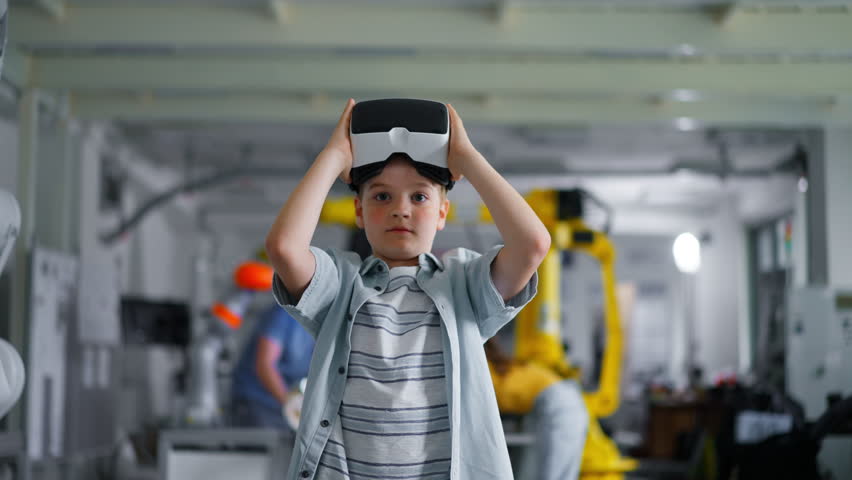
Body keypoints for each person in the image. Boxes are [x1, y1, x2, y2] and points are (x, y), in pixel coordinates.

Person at [265, 99, 550, 480]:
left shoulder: (464, 284)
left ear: (443, 213)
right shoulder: (341, 286)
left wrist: (466, 158)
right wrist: (334, 156)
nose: (401, 209)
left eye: (419, 196)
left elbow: (532, 244)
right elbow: (285, 247)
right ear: (360, 212)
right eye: (382, 196)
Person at [485, 338, 589, 480]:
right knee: (558, 471)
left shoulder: (485, 371)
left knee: (554, 471)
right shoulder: (502, 366)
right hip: (562, 401)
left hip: (558, 403)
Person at [230, 302, 315, 432]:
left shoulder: (320, 320)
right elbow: (265, 365)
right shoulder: (283, 314)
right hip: (258, 401)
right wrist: (291, 404)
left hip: (283, 403)